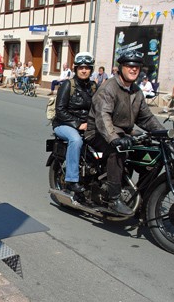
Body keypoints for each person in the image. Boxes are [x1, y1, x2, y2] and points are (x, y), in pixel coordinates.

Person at [85, 50, 164, 216]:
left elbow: (146, 117)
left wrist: (163, 133)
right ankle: (114, 199)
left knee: (153, 152)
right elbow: (103, 116)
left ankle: (143, 198)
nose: (134, 69)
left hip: (123, 133)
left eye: (137, 66)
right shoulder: (109, 88)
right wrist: (114, 139)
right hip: (99, 133)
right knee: (118, 151)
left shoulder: (136, 91)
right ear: (120, 68)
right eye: (129, 65)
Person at [52, 52, 97, 194]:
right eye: (81, 67)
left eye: (87, 68)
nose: (84, 70)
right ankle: (71, 180)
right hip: (64, 124)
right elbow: (60, 110)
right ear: (76, 69)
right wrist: (78, 124)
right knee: (76, 140)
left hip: (87, 124)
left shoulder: (93, 87)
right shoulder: (68, 85)